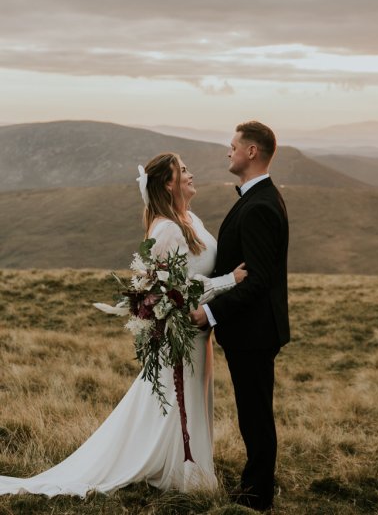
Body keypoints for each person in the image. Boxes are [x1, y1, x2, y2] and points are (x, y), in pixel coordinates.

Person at [0, 152, 247, 497]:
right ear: (168, 183)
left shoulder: (191, 217)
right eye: (183, 171)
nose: (192, 175)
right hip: (184, 333)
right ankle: (180, 474)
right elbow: (178, 293)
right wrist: (229, 282)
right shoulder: (166, 230)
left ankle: (186, 469)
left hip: (198, 334)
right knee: (177, 400)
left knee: (191, 399)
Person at [191, 121, 290, 511]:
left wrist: (210, 312)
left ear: (251, 152)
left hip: (254, 331)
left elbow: (259, 281)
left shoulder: (261, 204)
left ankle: (256, 495)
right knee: (253, 410)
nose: (228, 152)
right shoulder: (258, 197)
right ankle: (256, 484)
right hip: (252, 330)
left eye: (233, 146)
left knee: (255, 414)